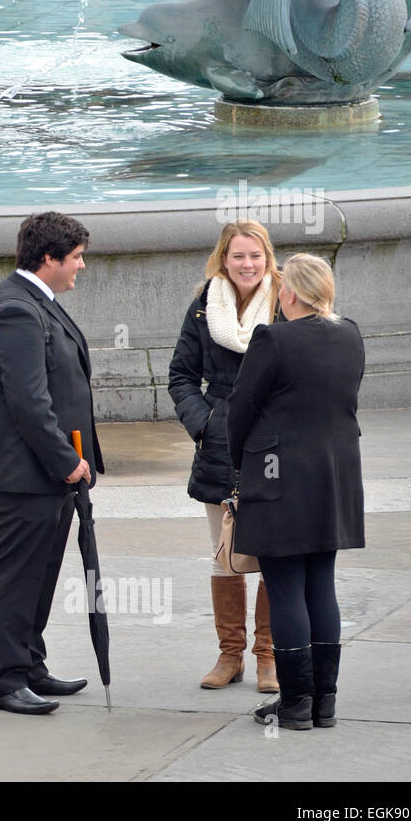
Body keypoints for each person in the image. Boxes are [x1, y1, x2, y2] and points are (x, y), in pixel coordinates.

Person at [226, 254, 365, 730]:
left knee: (285, 588)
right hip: (335, 476)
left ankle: (295, 705)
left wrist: (236, 462)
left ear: (288, 293)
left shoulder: (273, 339)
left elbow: (239, 409)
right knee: (321, 585)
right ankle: (322, 703)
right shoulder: (350, 333)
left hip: (277, 477)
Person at [0, 211, 104, 715]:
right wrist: (66, 460)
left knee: (43, 570)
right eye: (75, 258)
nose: (82, 267)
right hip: (28, 475)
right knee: (15, 574)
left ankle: (28, 665)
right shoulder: (16, 310)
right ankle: (3, 680)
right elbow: (28, 401)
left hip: (48, 474)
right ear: (47, 259)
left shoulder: (34, 302)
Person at [168, 220, 283, 694]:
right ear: (223, 258)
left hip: (275, 447)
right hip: (219, 449)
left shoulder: (285, 303)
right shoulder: (203, 308)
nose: (247, 264)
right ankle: (229, 655)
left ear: (267, 258)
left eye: (255, 255)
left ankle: (268, 658)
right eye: (238, 256)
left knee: (274, 556)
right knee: (226, 556)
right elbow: (179, 376)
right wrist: (206, 424)